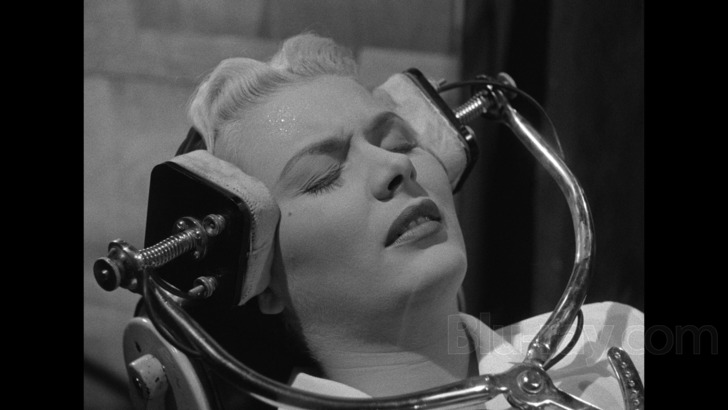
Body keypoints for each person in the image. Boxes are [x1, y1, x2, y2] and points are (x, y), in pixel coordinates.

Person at [180, 33, 644, 409]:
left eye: (400, 142)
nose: (395, 166)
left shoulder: (616, 341)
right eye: (323, 176)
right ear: (259, 278)